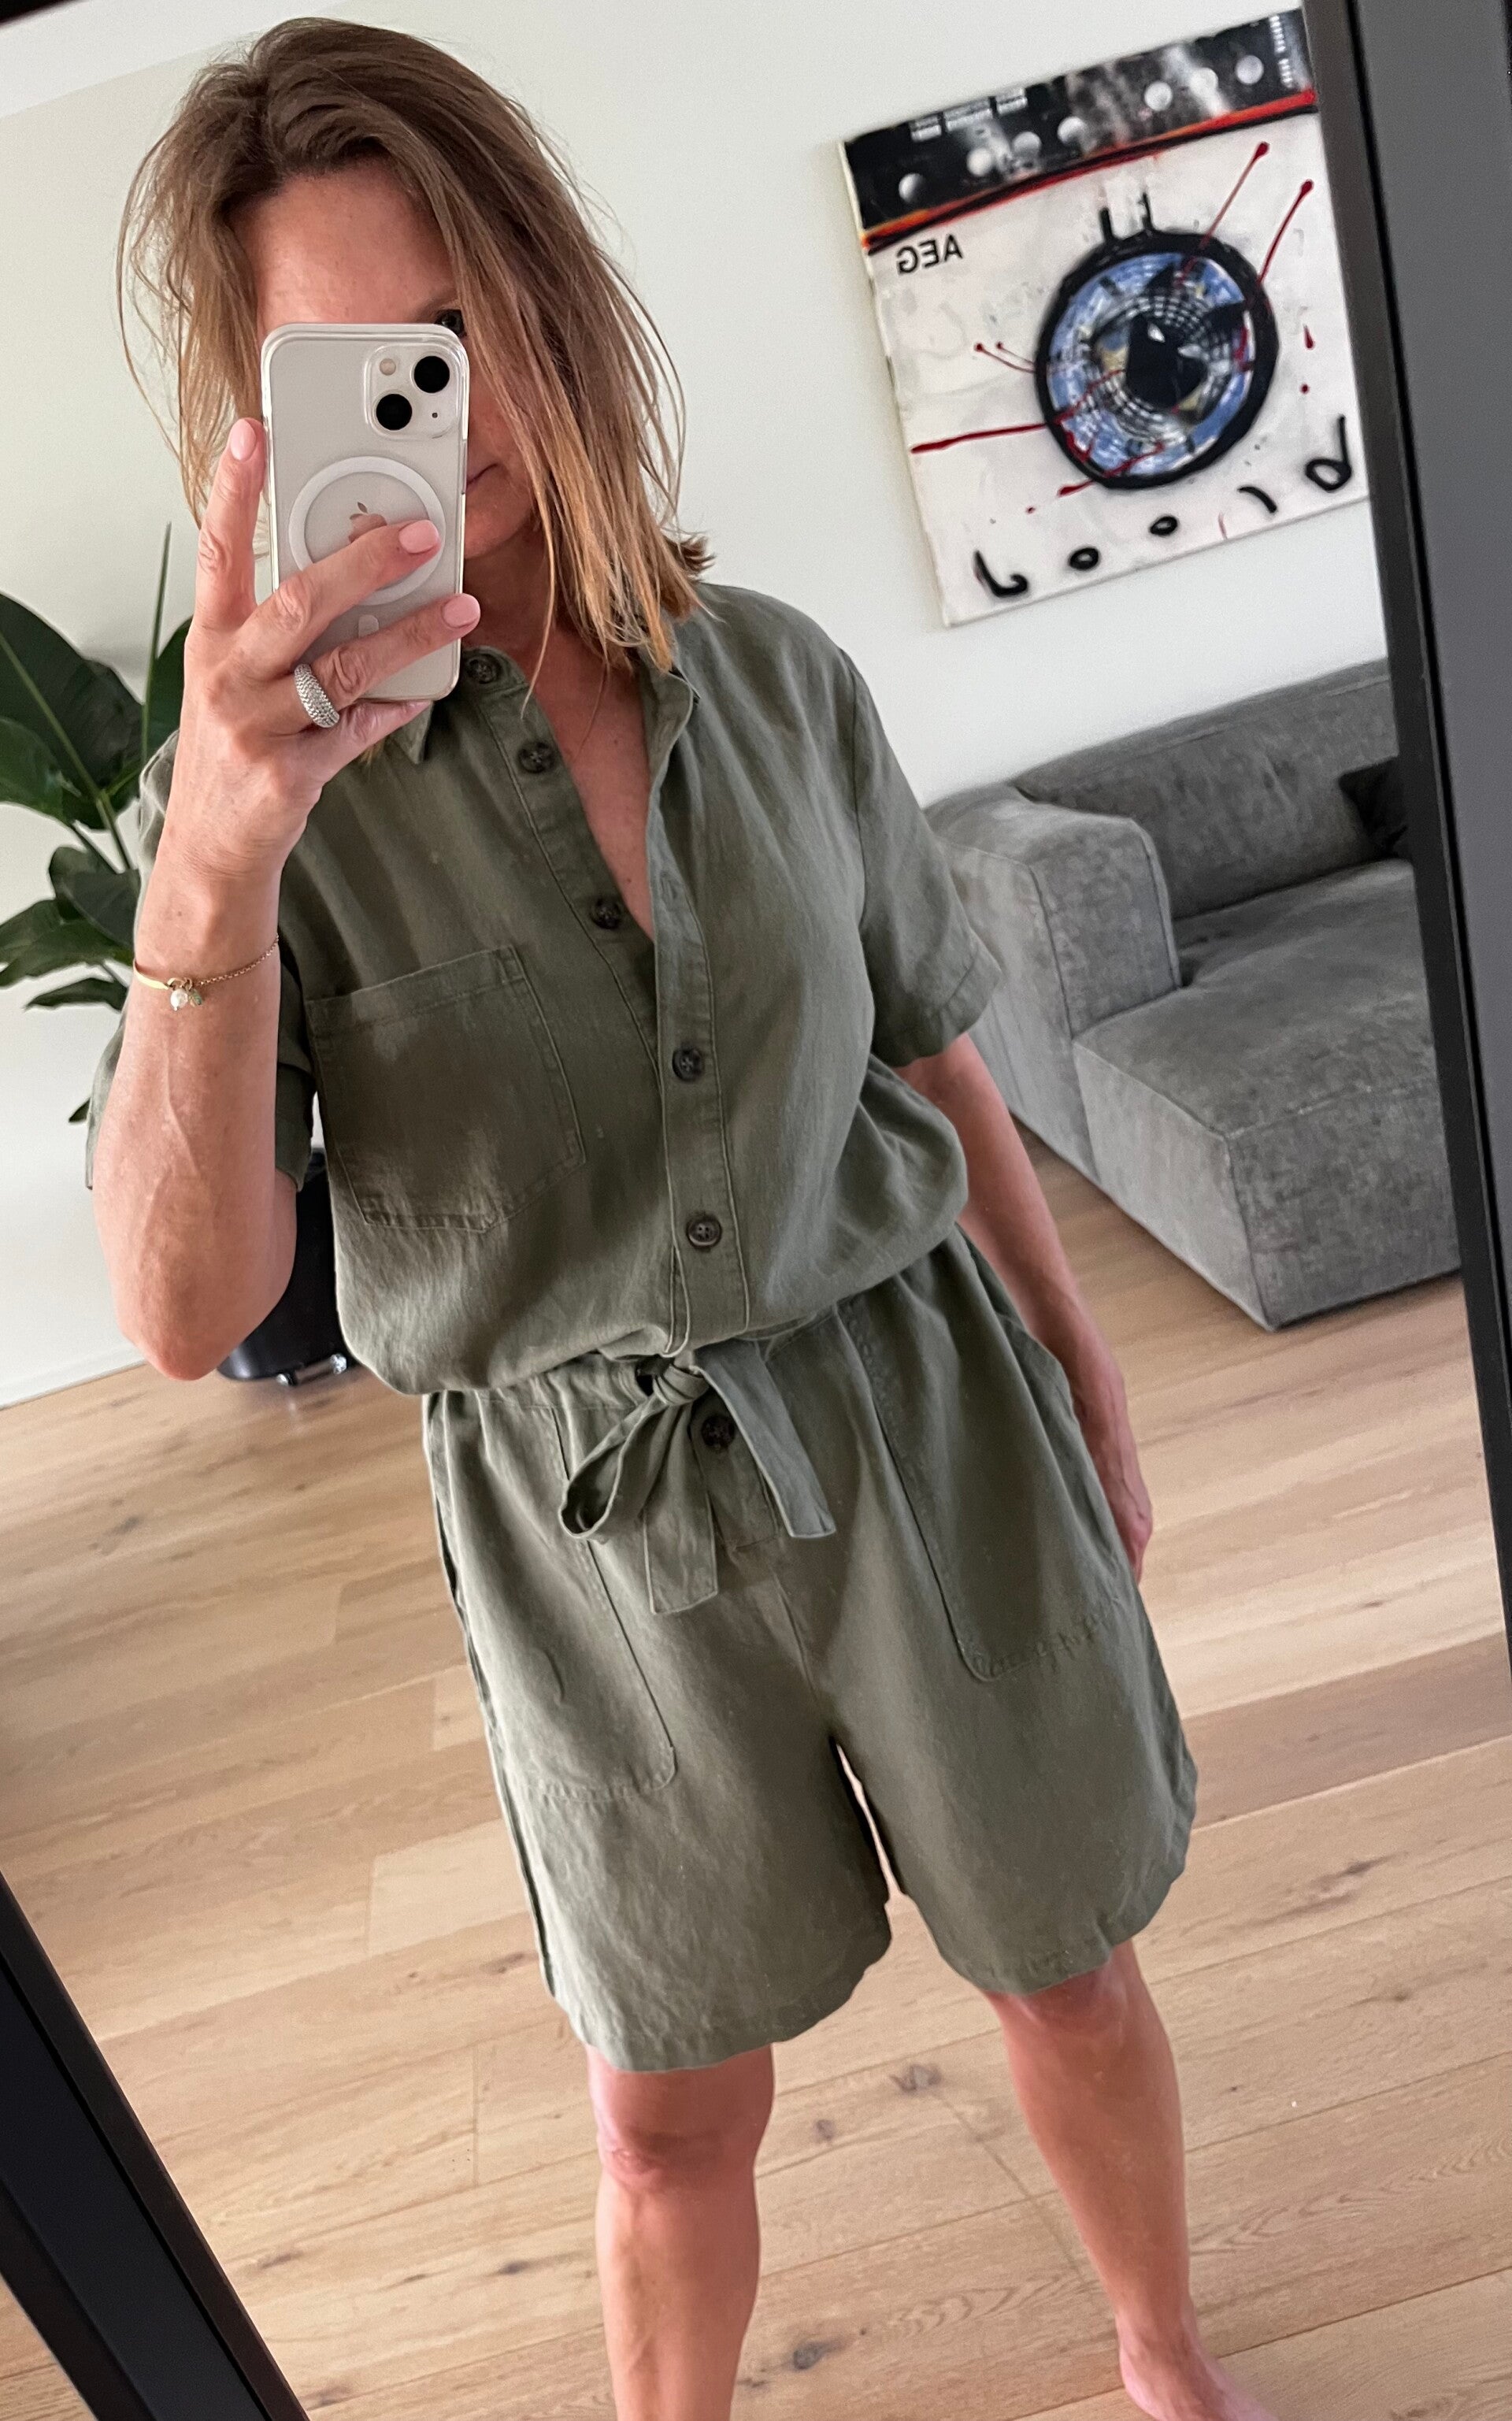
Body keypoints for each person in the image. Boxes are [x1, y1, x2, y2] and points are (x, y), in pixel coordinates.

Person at [90, 23, 1277, 2421]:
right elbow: (189, 1310)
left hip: (927, 1417)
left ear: (548, 296)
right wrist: (213, 854)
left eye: (460, 320)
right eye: (353, 360)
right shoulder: (269, 808)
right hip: (587, 1524)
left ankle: (1162, 2357)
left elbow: (934, 1047)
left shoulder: (785, 685)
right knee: (661, 2117)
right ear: (264, 418)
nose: (436, 402)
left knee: (1069, 1963)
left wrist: (1082, 1357)